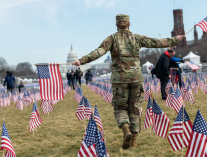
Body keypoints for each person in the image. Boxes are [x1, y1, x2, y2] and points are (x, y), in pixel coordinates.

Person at [72, 14, 184, 149]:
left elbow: (98, 52)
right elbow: (156, 42)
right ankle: (134, 141)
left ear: (117, 25)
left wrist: (81, 61)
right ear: (129, 24)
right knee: (135, 108)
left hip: (120, 80)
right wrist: (174, 40)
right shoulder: (136, 38)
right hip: (136, 78)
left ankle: (126, 131)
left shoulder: (112, 38)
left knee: (120, 108)